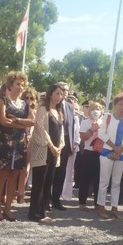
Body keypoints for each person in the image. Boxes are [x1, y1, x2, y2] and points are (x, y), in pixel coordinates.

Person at [0, 71, 35, 221]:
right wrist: (21, 124)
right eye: (18, 84)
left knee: (15, 176)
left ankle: (8, 208)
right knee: (3, 174)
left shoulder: (24, 104)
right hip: (6, 143)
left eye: (23, 84)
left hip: (21, 144)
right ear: (10, 84)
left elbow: (32, 121)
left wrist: (16, 120)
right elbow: (3, 121)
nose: (20, 87)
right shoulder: (2, 101)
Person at [28, 84, 65, 223]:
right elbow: (40, 129)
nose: (59, 96)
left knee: (48, 181)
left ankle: (42, 211)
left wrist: (59, 146)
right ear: (50, 94)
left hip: (54, 152)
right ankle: (35, 213)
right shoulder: (43, 109)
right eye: (57, 93)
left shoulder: (59, 111)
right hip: (44, 150)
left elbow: (61, 132)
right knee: (39, 181)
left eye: (61, 94)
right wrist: (51, 146)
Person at [96, 93, 123, 219]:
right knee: (104, 181)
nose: (122, 107)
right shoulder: (107, 117)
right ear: (115, 105)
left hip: (120, 155)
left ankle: (114, 206)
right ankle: (101, 205)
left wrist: (120, 150)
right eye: (120, 104)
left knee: (116, 182)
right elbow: (101, 134)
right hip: (107, 152)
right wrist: (114, 147)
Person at [51, 82, 79, 210]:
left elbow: (72, 126)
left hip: (66, 144)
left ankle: (56, 199)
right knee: (50, 171)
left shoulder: (69, 106)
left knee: (61, 172)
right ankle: (45, 199)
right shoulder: (51, 104)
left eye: (67, 90)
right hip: (52, 143)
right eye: (63, 89)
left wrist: (72, 144)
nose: (66, 92)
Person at [75, 101, 104, 210]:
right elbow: (83, 138)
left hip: (100, 153)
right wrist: (92, 129)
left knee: (98, 179)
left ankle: (97, 203)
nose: (95, 111)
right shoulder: (86, 122)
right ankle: (82, 202)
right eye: (93, 109)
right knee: (85, 178)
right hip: (88, 153)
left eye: (98, 108)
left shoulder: (104, 122)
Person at [18, 87, 38, 203]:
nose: (29, 100)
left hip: (30, 141)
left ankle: (21, 193)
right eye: (26, 97)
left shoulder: (35, 112)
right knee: (15, 169)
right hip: (18, 140)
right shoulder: (19, 111)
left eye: (31, 98)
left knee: (26, 169)